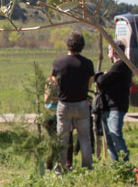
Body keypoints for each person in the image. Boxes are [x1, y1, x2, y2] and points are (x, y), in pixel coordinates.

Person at [52, 31, 96, 171]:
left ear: (68, 44)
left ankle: (60, 168)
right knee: (84, 138)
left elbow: (54, 82)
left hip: (64, 104)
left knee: (62, 138)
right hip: (82, 103)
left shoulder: (58, 63)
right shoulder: (88, 63)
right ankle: (87, 167)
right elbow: (90, 83)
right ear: (82, 45)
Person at [94, 45, 133, 161]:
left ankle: (124, 164)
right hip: (108, 106)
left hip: (115, 106)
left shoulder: (121, 65)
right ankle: (116, 164)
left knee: (115, 135)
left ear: (114, 51)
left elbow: (102, 81)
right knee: (109, 139)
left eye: (109, 50)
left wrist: (100, 75)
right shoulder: (117, 67)